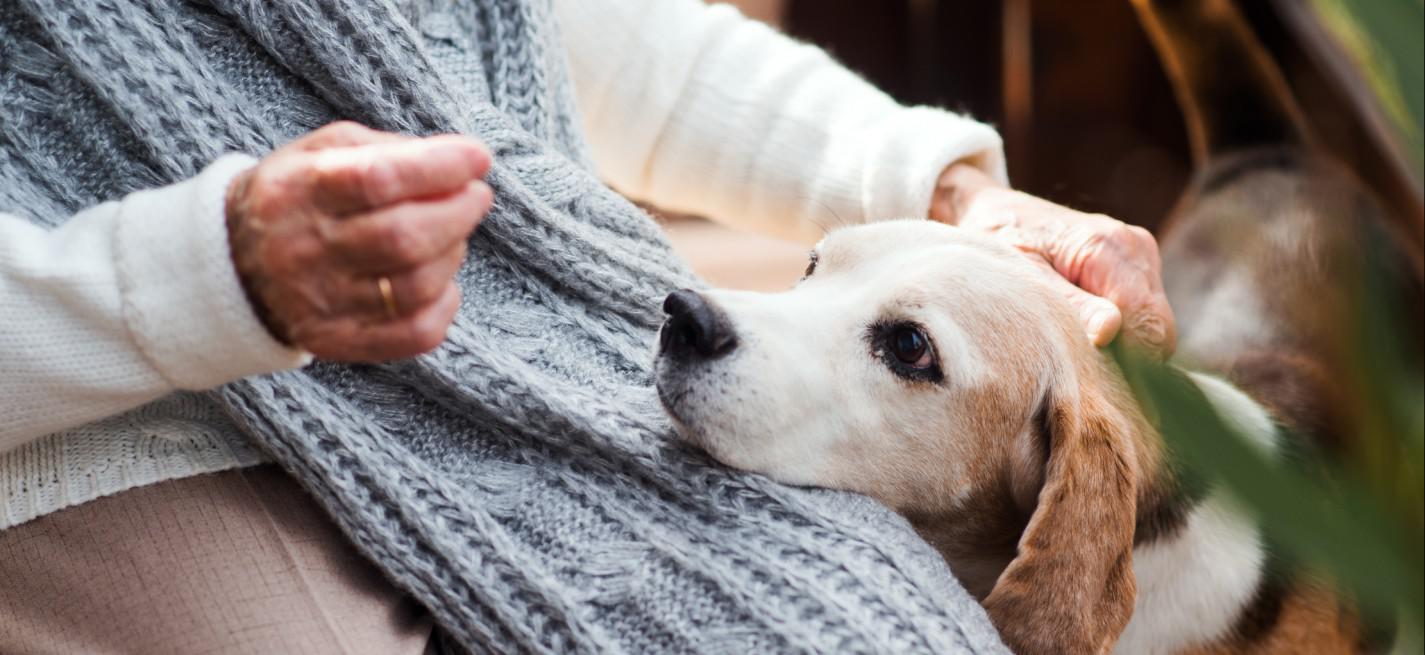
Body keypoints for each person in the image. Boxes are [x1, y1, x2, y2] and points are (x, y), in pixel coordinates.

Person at [0, 0, 1175, 652]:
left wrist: (948, 193)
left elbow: (615, 52)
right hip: (120, 424)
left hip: (537, 353)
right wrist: (205, 277)